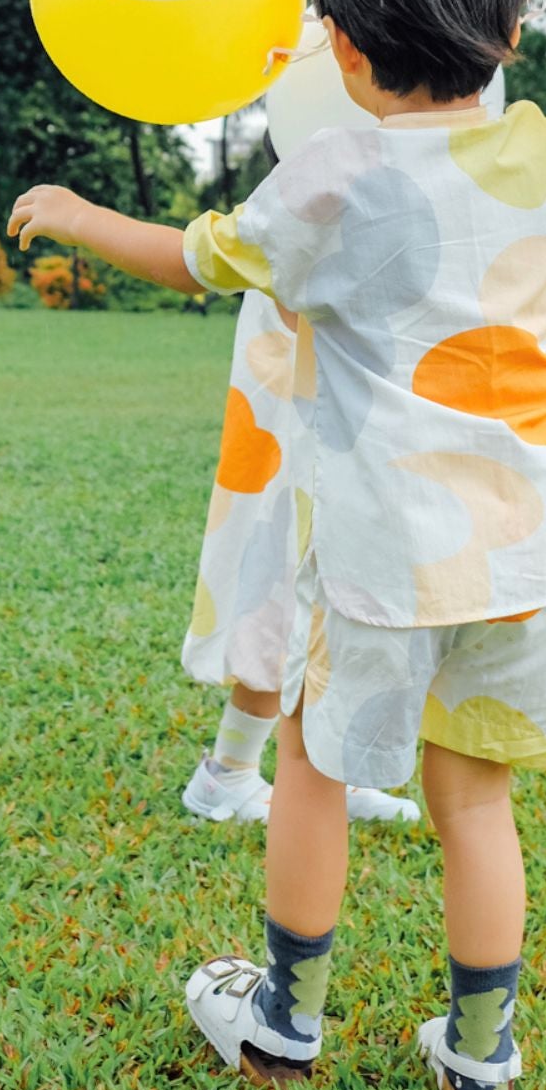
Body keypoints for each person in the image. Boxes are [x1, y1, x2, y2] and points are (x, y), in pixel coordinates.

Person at [9, 0, 546, 1090]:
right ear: (510, 34)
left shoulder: (331, 181)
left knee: (310, 763)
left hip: (382, 561)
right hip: (527, 561)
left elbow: (193, 258)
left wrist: (81, 216)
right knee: (475, 798)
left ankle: (283, 1020)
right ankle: (480, 1045)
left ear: (342, 46)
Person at [180, 279, 420, 826]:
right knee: (284, 591)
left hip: (353, 403)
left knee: (347, 597)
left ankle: (326, 769)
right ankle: (228, 772)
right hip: (300, 407)